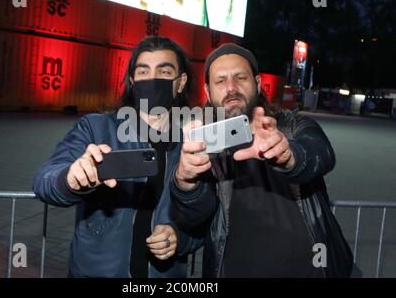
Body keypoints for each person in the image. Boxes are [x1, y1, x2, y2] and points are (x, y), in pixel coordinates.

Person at [170, 43, 353, 277]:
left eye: (240, 77)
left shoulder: (291, 125)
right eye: (220, 81)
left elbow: (322, 153)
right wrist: (185, 181)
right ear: (207, 91)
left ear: (257, 83)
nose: (231, 88)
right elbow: (196, 216)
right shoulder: (204, 144)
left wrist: (289, 157)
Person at [33, 36, 201, 278]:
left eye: (164, 72)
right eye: (143, 71)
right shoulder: (96, 128)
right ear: (132, 81)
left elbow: (204, 215)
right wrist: (70, 178)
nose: (152, 79)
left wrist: (180, 238)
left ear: (181, 82)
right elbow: (43, 181)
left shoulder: (192, 142)